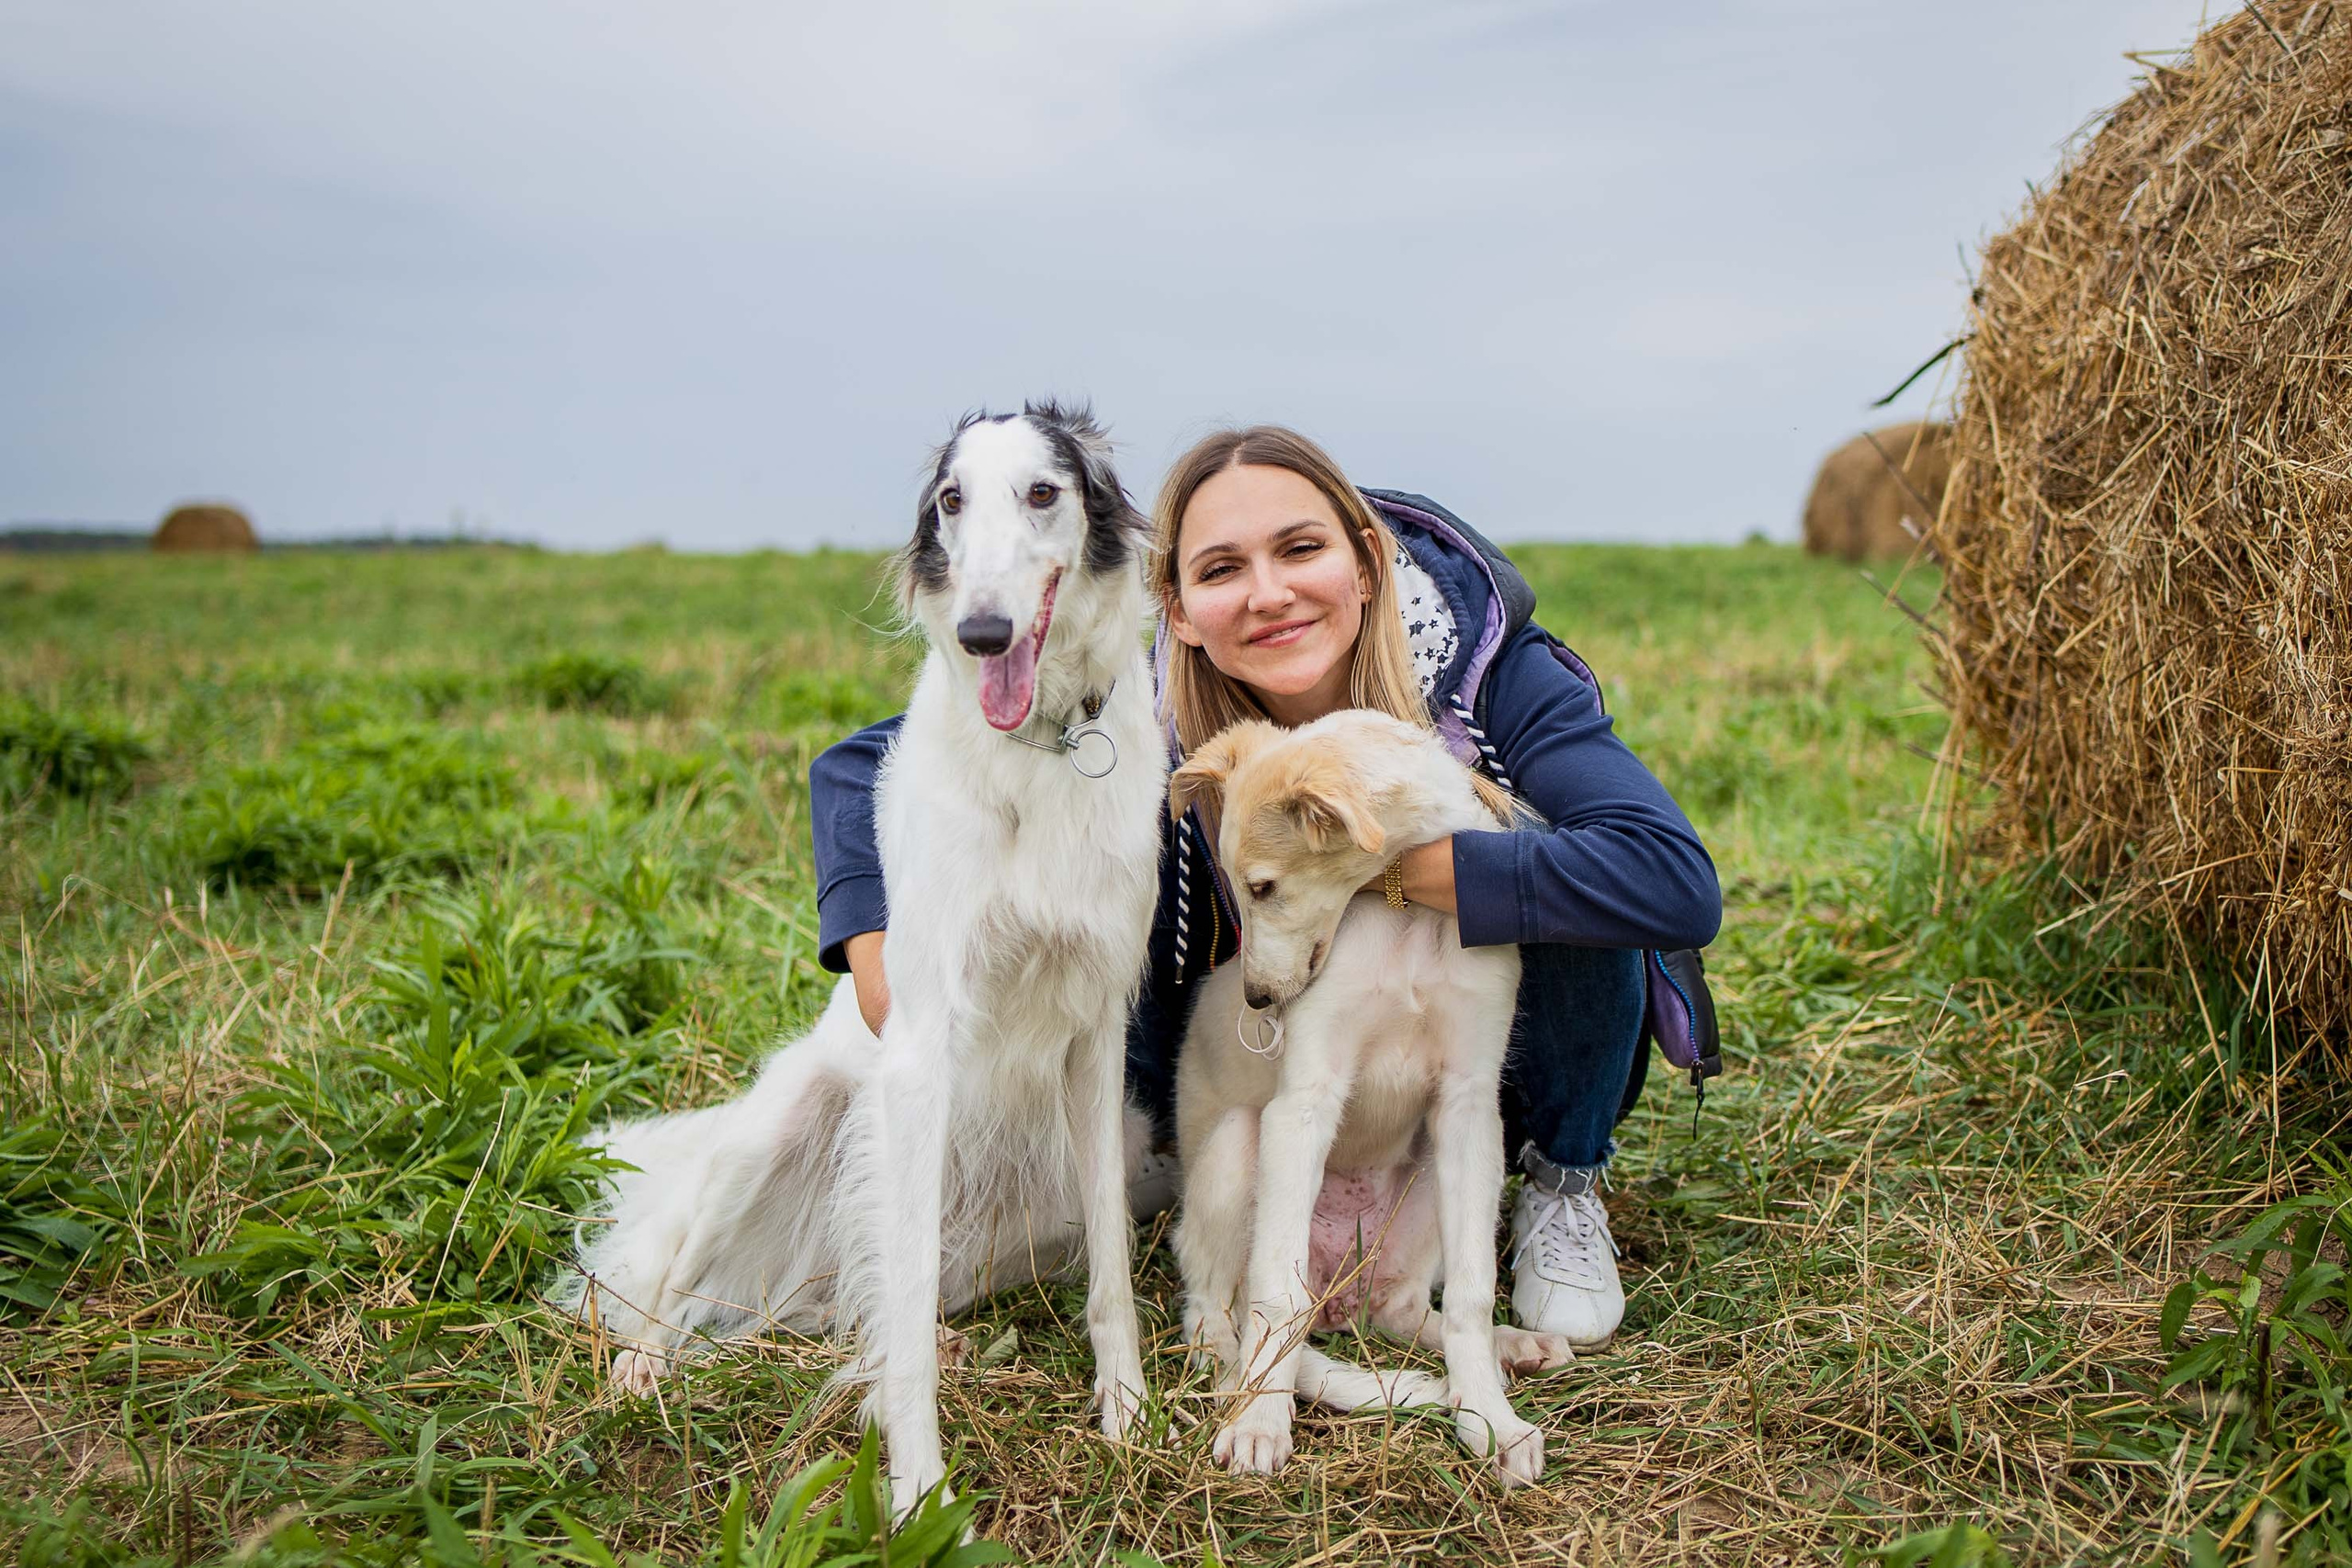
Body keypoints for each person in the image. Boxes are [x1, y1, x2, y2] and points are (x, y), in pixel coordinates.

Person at [808, 425, 1720, 1348]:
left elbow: (1669, 877)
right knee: (1123, 836)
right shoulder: (1139, 704)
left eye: (1300, 550)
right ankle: (1197, 1175)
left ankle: (1558, 1180)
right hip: (1244, 1059)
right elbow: (858, 765)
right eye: (1219, 570)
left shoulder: (1489, 673)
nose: (1268, 594)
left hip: (1472, 1069)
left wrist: (1383, 865)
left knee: (1566, 863)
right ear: (1176, 608)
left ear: (1365, 562)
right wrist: (874, 951)